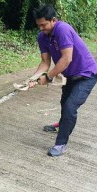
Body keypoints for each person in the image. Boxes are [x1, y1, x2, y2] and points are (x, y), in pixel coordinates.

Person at [29, 4, 97, 156]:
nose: (41, 28)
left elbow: (66, 58)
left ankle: (61, 144)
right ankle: (62, 124)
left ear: (53, 20)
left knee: (70, 107)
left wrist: (48, 77)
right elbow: (45, 63)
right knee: (64, 102)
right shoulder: (42, 37)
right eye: (38, 25)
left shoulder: (62, 29)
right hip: (70, 76)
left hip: (87, 74)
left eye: (43, 25)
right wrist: (31, 79)